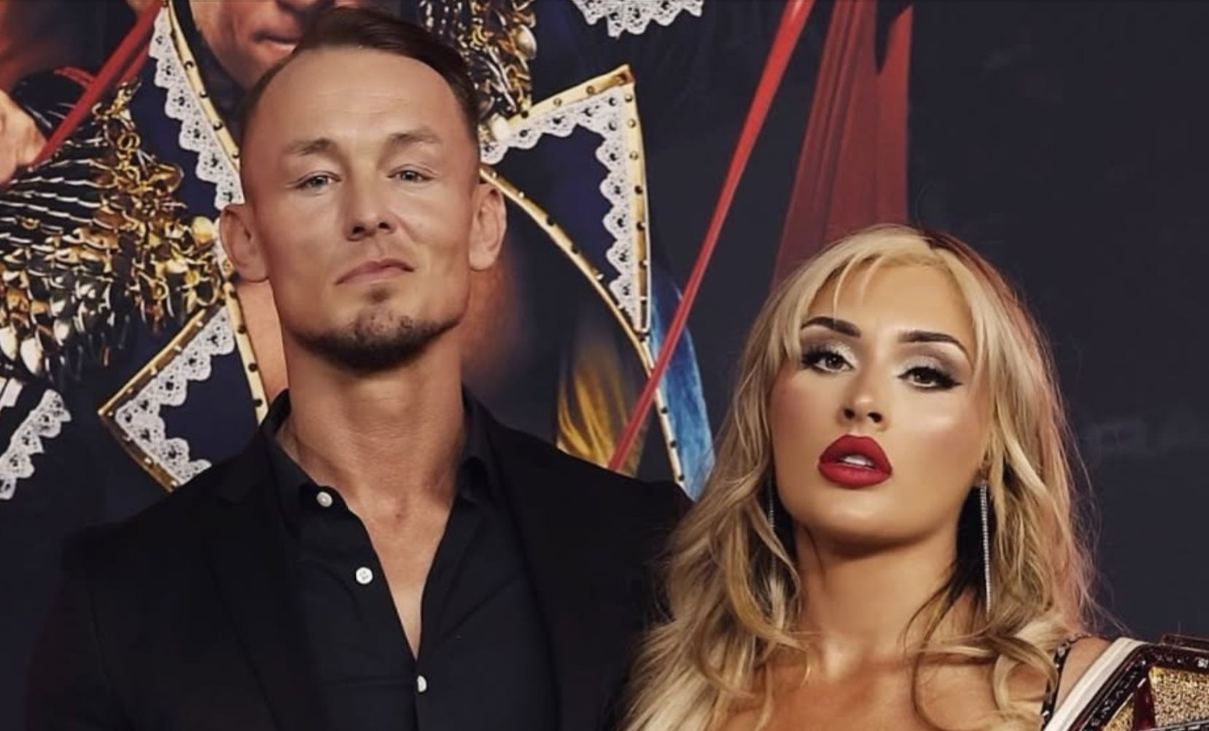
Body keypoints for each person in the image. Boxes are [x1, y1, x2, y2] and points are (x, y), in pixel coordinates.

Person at [25, 10, 688, 731]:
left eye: (409, 172)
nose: (369, 212)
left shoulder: (649, 548)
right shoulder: (117, 602)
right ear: (245, 241)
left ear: (483, 221)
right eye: (316, 179)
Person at [622, 224, 1209, 731]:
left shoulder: (1146, 704)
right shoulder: (669, 693)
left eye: (926, 373)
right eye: (827, 358)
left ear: (991, 447)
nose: (863, 400)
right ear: (767, 410)